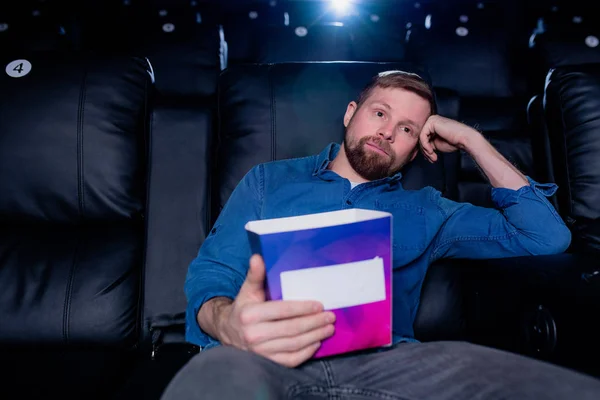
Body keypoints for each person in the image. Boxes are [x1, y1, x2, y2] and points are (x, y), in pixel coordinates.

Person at [162, 71, 600, 399]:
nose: (388, 132)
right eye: (379, 113)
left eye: (408, 129)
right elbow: (212, 274)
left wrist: (471, 141)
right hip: (265, 361)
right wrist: (227, 323)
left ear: (418, 148)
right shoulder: (267, 182)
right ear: (352, 114)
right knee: (207, 380)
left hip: (388, 365)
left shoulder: (429, 209)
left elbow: (547, 238)